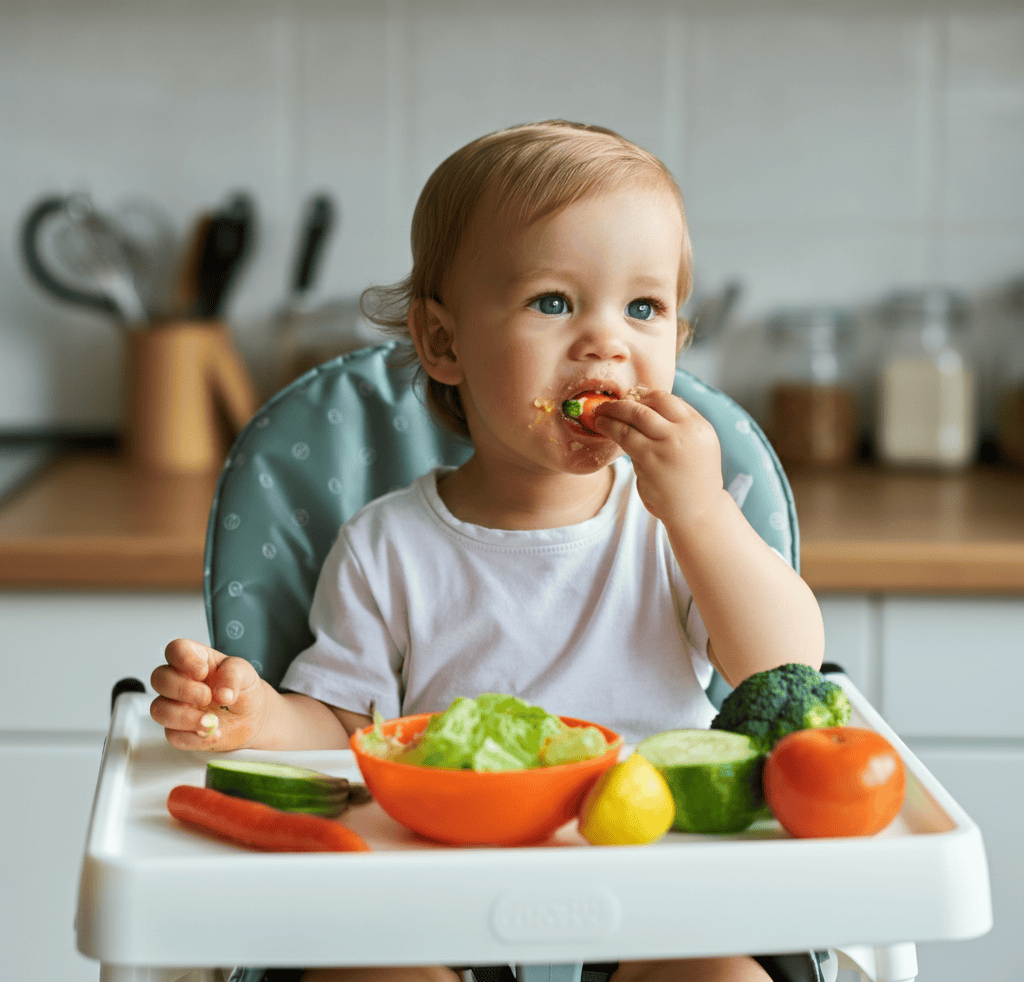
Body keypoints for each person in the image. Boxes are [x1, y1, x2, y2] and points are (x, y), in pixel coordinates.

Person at [150, 120, 825, 982]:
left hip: (660, 890)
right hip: (436, 898)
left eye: (644, 308)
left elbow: (787, 670)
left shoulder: (680, 527)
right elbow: (343, 728)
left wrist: (698, 511)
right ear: (444, 342)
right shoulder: (387, 546)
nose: (608, 342)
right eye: (554, 302)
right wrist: (258, 718)